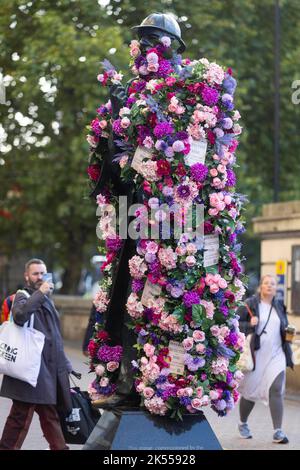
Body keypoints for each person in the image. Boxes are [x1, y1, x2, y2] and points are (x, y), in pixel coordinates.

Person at [88, 13, 187, 409]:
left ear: (169, 50)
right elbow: (109, 153)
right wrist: (127, 163)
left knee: (168, 299)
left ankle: (166, 384)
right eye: (142, 43)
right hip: (132, 213)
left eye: (154, 43)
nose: (147, 51)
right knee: (124, 296)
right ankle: (125, 378)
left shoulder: (186, 92)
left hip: (174, 219)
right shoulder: (124, 95)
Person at [0, 258, 80, 450]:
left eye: (42, 273)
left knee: (48, 414)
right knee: (21, 416)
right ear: (27, 276)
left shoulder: (47, 301)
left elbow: (55, 338)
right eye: (35, 273)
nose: (39, 277)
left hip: (44, 371)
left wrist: (66, 366)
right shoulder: (23, 295)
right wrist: (40, 293)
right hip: (30, 369)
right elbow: (19, 316)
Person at [237, 274, 294, 444]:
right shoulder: (250, 304)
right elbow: (235, 324)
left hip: (277, 354)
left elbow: (283, 327)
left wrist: (289, 333)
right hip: (256, 355)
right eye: (266, 283)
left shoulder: (279, 306)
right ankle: (243, 423)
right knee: (249, 392)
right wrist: (249, 325)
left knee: (277, 389)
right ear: (261, 286)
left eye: (273, 284)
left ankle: (278, 431)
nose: (270, 286)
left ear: (276, 288)